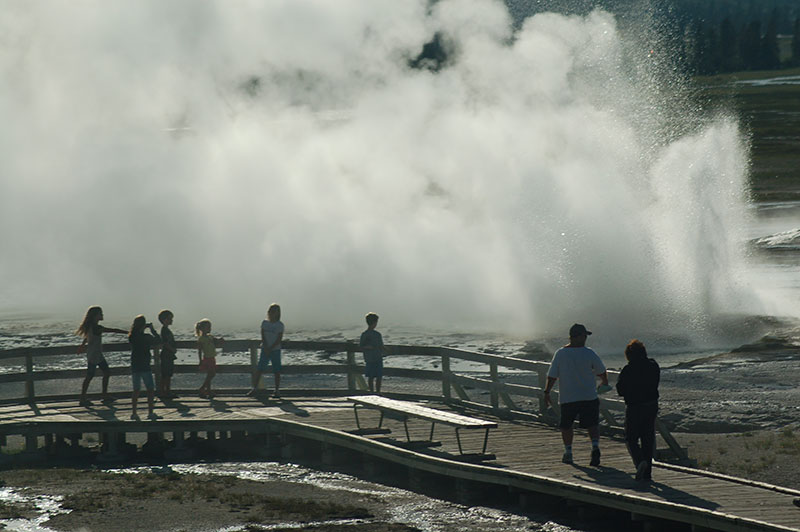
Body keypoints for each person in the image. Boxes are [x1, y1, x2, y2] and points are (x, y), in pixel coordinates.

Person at [544, 323, 609, 466]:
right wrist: (604, 382)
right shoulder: (589, 352)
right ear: (578, 336)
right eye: (584, 335)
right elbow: (601, 371)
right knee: (592, 424)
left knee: (567, 425)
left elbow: (552, 375)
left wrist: (547, 391)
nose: (586, 338)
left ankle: (568, 452)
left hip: (569, 397)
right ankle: (595, 447)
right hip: (588, 395)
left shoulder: (560, 353)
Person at [616, 339, 660, 482]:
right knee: (648, 439)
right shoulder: (653, 366)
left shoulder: (628, 369)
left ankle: (640, 461)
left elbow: (620, 390)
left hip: (634, 407)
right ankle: (647, 474)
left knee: (631, 438)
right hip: (651, 406)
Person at [76, 306, 128, 406]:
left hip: (95, 354)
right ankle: (84, 398)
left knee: (105, 372)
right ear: (95, 316)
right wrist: (128, 332)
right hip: (94, 355)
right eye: (100, 314)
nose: (102, 315)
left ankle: (102, 395)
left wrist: (82, 346)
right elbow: (113, 330)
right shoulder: (96, 327)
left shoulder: (91, 326)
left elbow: (86, 337)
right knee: (91, 375)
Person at [128, 315, 161, 421]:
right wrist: (152, 329)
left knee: (136, 390)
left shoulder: (132, 336)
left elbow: (133, 336)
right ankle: (150, 412)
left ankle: (134, 413)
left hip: (135, 365)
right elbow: (158, 340)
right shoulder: (146, 337)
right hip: (145, 366)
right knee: (150, 389)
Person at [249, 304, 284, 398]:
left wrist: (271, 347)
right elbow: (263, 336)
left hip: (275, 350)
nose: (273, 313)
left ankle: (277, 390)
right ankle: (254, 388)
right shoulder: (265, 323)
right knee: (260, 369)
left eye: (275, 311)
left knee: (277, 370)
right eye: (271, 311)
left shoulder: (280, 325)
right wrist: (266, 347)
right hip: (265, 349)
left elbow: (279, 339)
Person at [196, 318, 223, 398]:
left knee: (210, 374)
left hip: (212, 357)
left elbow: (216, 341)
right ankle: (202, 388)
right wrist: (200, 360)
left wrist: (220, 340)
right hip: (207, 358)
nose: (209, 329)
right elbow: (200, 350)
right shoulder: (201, 339)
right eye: (208, 327)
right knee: (212, 374)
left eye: (210, 327)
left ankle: (208, 390)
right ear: (202, 329)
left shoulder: (210, 337)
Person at [359, 312, 385, 393]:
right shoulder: (377, 334)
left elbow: (361, 346)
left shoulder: (364, 334)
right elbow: (381, 346)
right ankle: (377, 392)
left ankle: (372, 392)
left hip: (369, 358)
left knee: (371, 376)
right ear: (374, 323)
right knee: (378, 376)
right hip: (376, 357)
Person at [158, 310, 178, 398]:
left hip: (168, 355)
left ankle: (166, 391)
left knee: (168, 374)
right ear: (164, 320)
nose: (171, 320)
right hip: (167, 354)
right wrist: (172, 349)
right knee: (165, 374)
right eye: (170, 318)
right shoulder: (164, 330)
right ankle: (164, 392)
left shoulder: (166, 329)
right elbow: (165, 343)